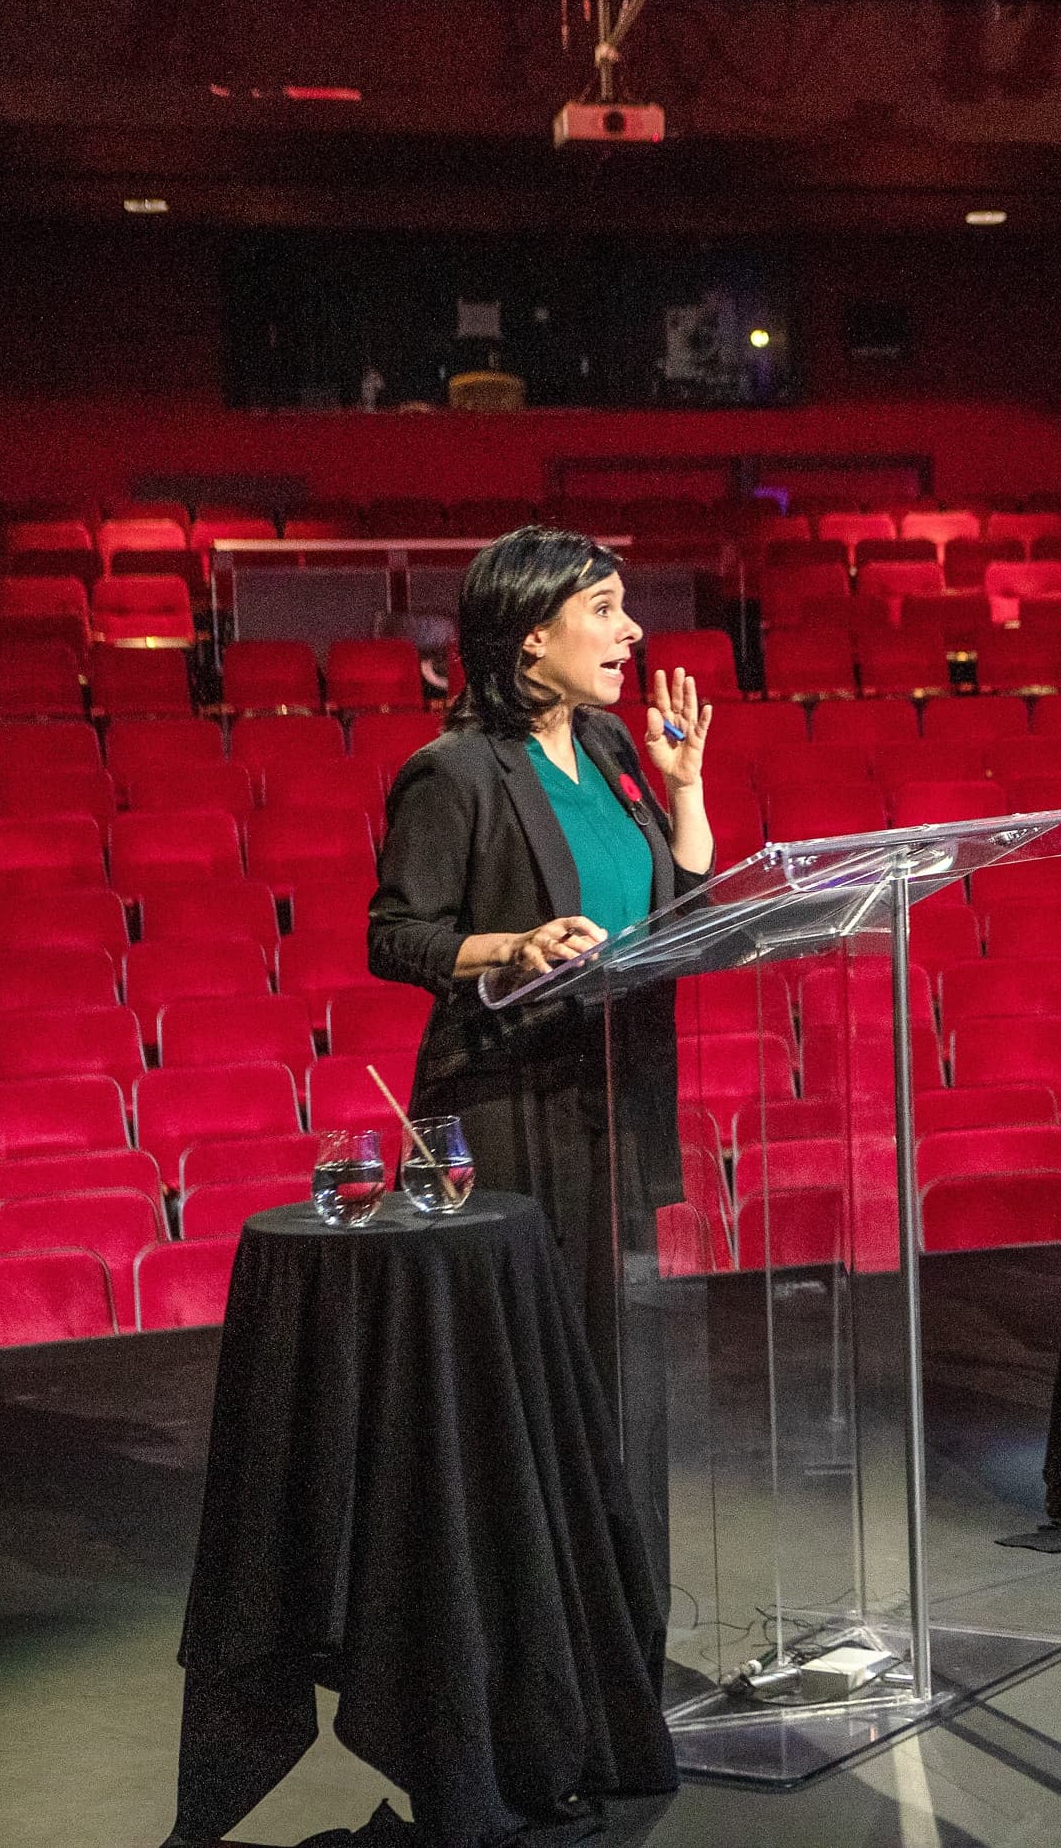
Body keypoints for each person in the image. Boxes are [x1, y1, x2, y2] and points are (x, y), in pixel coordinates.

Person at [368, 525, 715, 1577]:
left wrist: (686, 785)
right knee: (521, 1392)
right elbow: (396, 934)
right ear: (529, 638)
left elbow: (680, 911)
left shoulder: (614, 752)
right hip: (508, 1111)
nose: (632, 629)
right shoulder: (455, 772)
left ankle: (618, 1625)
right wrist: (510, 948)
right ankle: (525, 1632)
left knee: (619, 1390)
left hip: (612, 1101)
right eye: (604, 610)